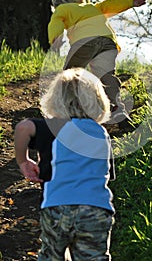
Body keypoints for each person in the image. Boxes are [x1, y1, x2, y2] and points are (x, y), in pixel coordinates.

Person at [15, 68, 115, 260]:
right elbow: (107, 175)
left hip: (57, 207)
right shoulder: (101, 133)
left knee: (50, 255)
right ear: (97, 100)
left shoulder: (54, 127)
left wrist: (22, 161)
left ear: (55, 99)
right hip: (94, 209)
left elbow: (23, 128)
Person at [47, 0, 146, 126]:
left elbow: (56, 22)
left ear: (57, 0)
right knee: (106, 75)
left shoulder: (63, 9)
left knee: (70, 74)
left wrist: (55, 39)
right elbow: (110, 4)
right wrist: (130, 2)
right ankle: (118, 108)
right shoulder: (93, 7)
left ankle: (65, 107)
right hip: (107, 43)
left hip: (84, 42)